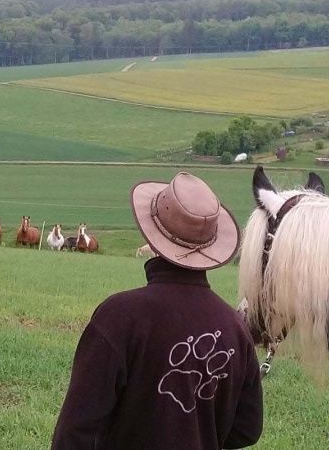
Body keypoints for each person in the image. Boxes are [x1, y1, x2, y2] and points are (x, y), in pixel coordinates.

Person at [52, 172, 263, 449]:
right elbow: (247, 430)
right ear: (210, 247)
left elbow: (75, 430)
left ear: (152, 238)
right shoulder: (235, 327)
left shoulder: (119, 317)